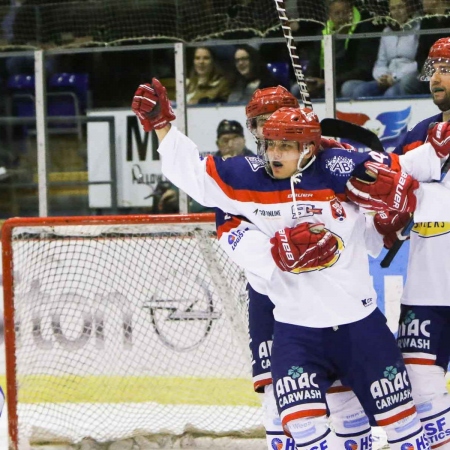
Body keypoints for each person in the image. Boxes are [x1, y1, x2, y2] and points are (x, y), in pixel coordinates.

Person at [131, 78, 445, 449]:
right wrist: (163, 126)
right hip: (293, 327)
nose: (272, 148)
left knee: (402, 432)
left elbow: (396, 177)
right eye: (266, 138)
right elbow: (195, 179)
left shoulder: (339, 164)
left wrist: (410, 187)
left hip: (358, 327)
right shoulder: (245, 175)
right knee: (297, 429)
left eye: (283, 140)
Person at [218, 85, 391, 450]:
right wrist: (274, 255)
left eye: (276, 125)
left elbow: (372, 189)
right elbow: (228, 231)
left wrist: (337, 154)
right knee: (277, 398)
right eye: (261, 126)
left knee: (346, 396)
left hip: (331, 302)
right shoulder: (246, 177)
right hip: (272, 298)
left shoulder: (327, 163)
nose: (268, 134)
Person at [385, 36, 450, 449]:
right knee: (419, 383)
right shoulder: (418, 134)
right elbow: (385, 179)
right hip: (426, 290)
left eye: (446, 69)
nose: (436, 79)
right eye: (433, 70)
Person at [156, 118, 253, 214]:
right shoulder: (212, 163)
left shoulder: (256, 164)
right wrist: (175, 190)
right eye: (225, 140)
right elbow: (193, 172)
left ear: (244, 141)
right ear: (218, 144)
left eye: (235, 139)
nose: (231, 144)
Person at [299, 0, 384, 99]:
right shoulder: (323, 33)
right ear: (330, 16)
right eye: (337, 13)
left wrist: (330, 82)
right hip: (326, 81)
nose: (341, 17)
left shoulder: (362, 31)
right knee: (299, 88)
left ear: (351, 13)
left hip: (347, 80)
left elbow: (363, 70)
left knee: (347, 87)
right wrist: (310, 78)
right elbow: (314, 60)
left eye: (345, 12)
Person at [340, 0, 420, 98]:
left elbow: (418, 63)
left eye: (400, 7)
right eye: (393, 8)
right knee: (354, 89)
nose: (397, 11)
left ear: (409, 8)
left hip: (406, 77)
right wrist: (382, 77)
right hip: (387, 78)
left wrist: (395, 76)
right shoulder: (386, 32)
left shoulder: (418, 29)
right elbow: (380, 63)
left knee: (390, 94)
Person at [401, 0, 450, 95]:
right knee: (408, 82)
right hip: (431, 73)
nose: (421, 2)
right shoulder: (426, 21)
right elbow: (420, 54)